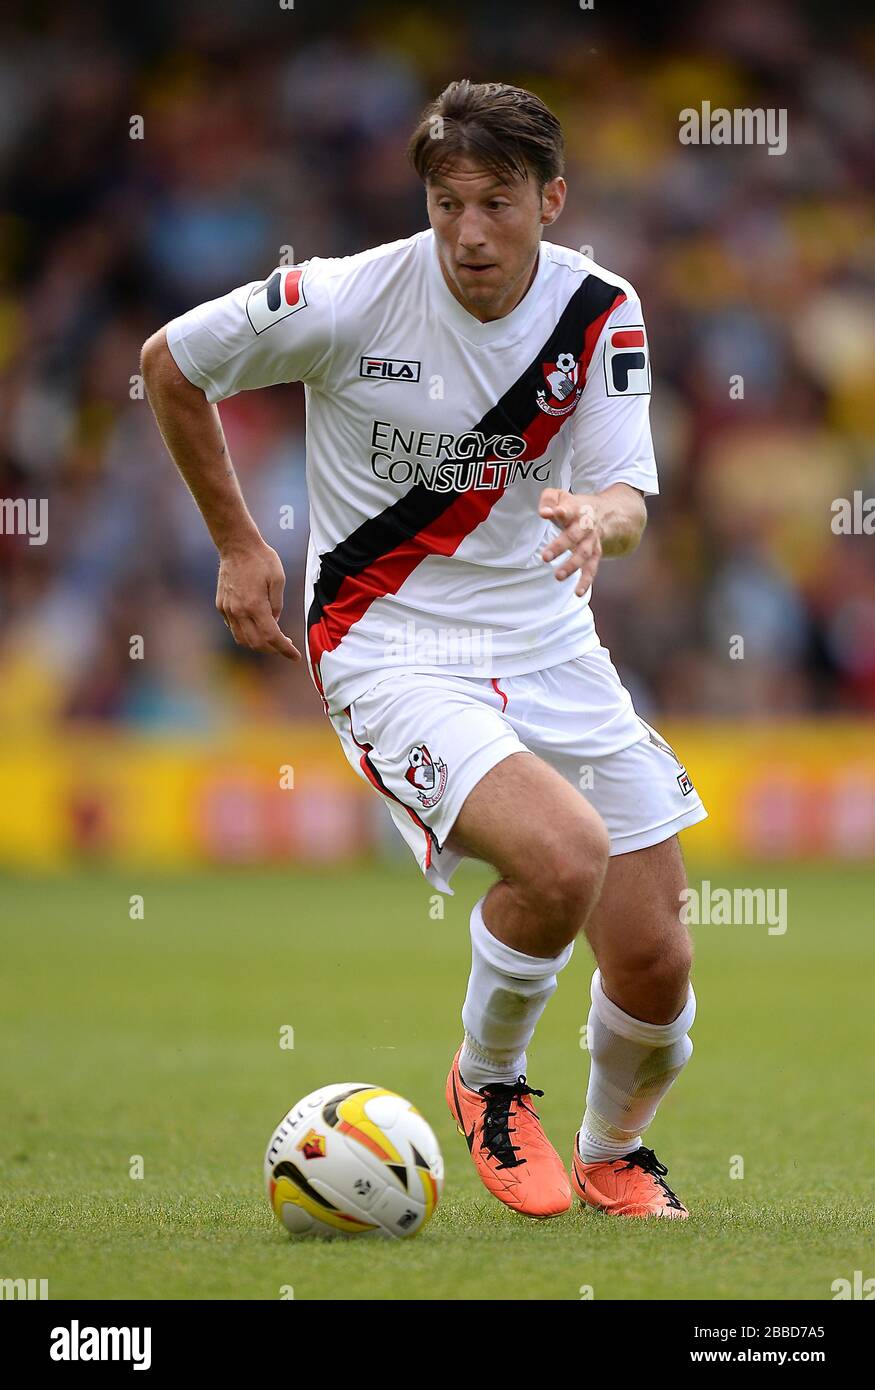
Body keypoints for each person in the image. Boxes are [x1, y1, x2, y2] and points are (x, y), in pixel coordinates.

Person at [142, 79, 706, 1222]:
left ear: (551, 200)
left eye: (496, 203)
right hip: (385, 640)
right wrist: (242, 546)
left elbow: (627, 497)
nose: (468, 232)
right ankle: (487, 1081)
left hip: (548, 638)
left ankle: (612, 1150)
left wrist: (598, 518)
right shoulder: (347, 296)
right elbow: (168, 361)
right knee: (559, 856)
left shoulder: (600, 312)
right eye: (446, 203)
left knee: (655, 959)